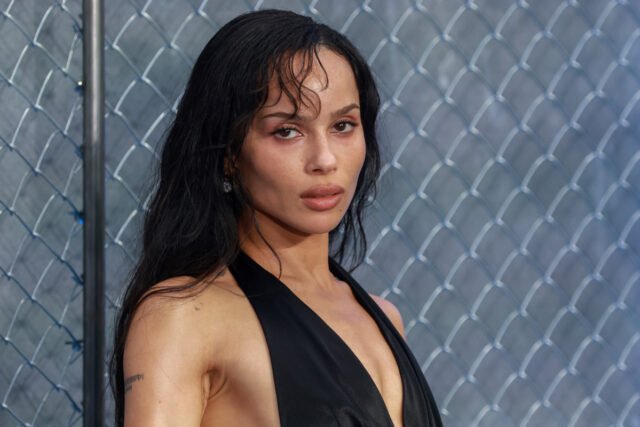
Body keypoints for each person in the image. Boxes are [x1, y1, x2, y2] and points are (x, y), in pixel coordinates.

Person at [109, 9, 442, 427]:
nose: (325, 160)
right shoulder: (184, 316)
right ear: (229, 154)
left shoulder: (384, 317)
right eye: (287, 131)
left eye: (343, 125)